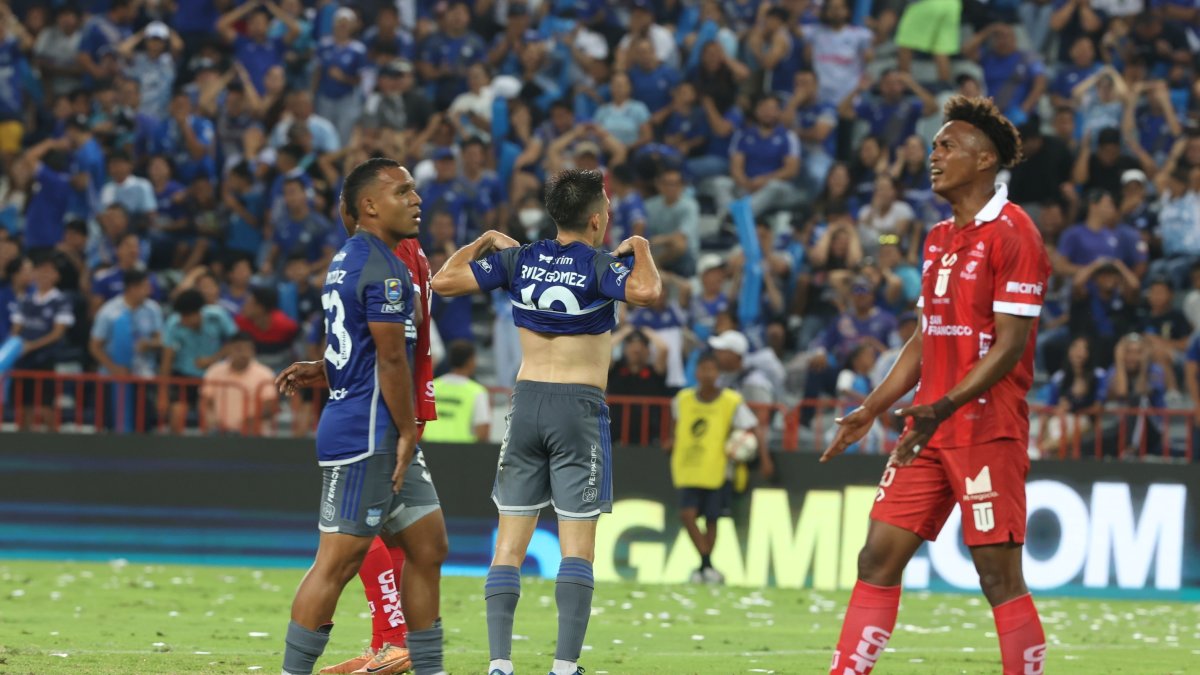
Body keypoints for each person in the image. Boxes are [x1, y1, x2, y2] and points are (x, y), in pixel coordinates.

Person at [822, 96, 1050, 675]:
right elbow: (926, 340)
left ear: (984, 160)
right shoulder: (937, 238)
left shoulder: (1015, 233)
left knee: (997, 575)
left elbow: (1010, 346)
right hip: (928, 427)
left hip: (985, 427)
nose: (934, 155)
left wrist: (942, 405)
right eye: (933, 146)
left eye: (947, 146)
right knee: (876, 558)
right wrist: (872, 408)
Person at [430, 168, 662, 675]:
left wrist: (483, 241)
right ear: (598, 220)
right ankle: (563, 667)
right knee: (577, 546)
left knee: (509, 545)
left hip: (526, 401)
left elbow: (442, 281)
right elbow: (646, 293)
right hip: (578, 407)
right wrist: (641, 246)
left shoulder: (520, 259)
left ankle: (499, 664)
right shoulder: (600, 266)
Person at [273, 158, 447, 675]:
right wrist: (409, 429)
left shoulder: (349, 258)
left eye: (415, 191)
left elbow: (359, 348)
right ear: (369, 205)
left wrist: (323, 366)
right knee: (337, 563)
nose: (416, 200)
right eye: (403, 192)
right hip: (369, 434)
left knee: (429, 545)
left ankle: (427, 668)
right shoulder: (386, 268)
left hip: (375, 424)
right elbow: (391, 358)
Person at [668, 351, 758, 585]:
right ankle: (707, 565)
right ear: (696, 371)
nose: (707, 373)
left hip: (718, 469)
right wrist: (670, 441)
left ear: (718, 373)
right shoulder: (682, 399)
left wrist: (756, 455)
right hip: (688, 466)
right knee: (686, 515)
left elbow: (751, 428)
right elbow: (675, 427)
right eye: (703, 368)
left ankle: (704, 568)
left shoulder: (731, 400)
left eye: (712, 369)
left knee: (711, 519)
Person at [159, 288, 237, 434]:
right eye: (181, 316)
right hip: (184, 375)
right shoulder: (174, 323)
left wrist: (212, 359)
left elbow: (237, 344)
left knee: (209, 418)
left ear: (199, 312)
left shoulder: (218, 316)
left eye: (186, 316)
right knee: (177, 414)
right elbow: (166, 360)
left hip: (213, 377)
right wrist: (163, 394)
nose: (183, 320)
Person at [199, 331, 278, 434]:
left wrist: (252, 421)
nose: (243, 353)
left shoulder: (265, 373)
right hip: (219, 432)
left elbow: (270, 406)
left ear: (253, 351)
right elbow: (205, 401)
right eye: (238, 348)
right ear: (228, 350)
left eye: (247, 349)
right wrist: (212, 422)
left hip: (253, 433)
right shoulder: (214, 371)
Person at [422, 340, 491, 444]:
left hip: (429, 450)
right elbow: (483, 430)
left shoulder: (431, 387)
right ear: (470, 361)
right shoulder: (477, 391)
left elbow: (418, 421)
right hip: (462, 453)